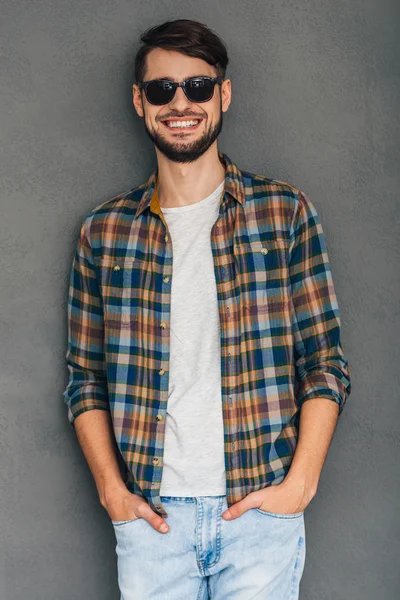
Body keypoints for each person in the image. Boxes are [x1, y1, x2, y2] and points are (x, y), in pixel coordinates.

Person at [63, 18, 351, 600]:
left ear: (223, 94)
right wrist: (112, 495)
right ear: (140, 103)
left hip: (258, 516)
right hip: (153, 523)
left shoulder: (283, 214)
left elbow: (325, 362)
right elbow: (83, 379)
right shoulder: (104, 231)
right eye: (163, 89)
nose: (181, 103)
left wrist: (300, 486)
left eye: (197, 86)